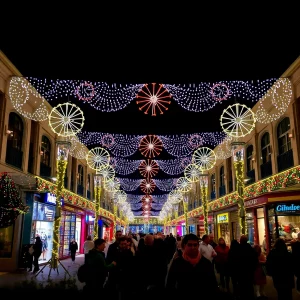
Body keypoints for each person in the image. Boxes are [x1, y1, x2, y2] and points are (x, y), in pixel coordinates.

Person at [166, 233, 218, 299]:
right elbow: (170, 284)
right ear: (185, 246)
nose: (192, 247)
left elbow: (213, 284)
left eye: (195, 245)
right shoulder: (178, 263)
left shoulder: (206, 263)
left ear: (198, 246)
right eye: (190, 245)